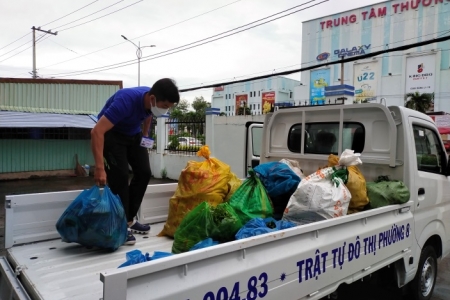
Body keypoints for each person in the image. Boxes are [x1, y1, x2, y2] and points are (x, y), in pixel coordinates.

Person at [91, 78, 180, 245]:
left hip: (133, 134)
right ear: (152, 99)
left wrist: (145, 135)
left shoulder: (151, 102)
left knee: (144, 173)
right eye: (165, 106)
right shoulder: (125, 101)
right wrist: (99, 167)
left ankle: (129, 220)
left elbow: (148, 115)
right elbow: (96, 132)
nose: (165, 111)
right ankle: (120, 225)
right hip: (112, 134)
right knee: (120, 177)